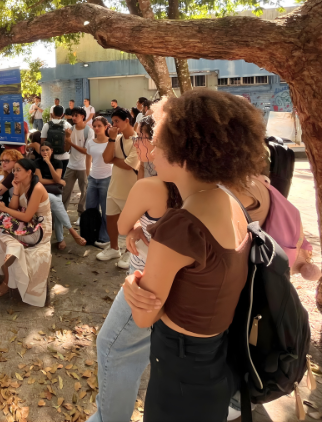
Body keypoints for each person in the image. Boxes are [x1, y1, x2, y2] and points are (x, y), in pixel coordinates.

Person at [122, 91, 265, 421]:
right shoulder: (231, 203)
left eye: (160, 142)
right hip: (217, 358)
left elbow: (144, 317)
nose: (153, 150)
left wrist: (133, 281)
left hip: (180, 365)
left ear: (185, 153)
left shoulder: (181, 226)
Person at [87, 126, 182, 422]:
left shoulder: (150, 185)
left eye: (140, 139)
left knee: (113, 347)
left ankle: (109, 418)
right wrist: (145, 225)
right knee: (138, 349)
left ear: (157, 144)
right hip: (175, 282)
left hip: (145, 283)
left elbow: (122, 226)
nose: (135, 144)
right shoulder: (184, 185)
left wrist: (137, 225)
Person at [0, 158, 52, 305]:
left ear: (29, 172)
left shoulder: (37, 188)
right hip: (28, 226)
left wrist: (4, 208)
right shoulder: (23, 185)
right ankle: (13, 249)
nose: (14, 173)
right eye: (14, 170)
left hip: (39, 231)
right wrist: (16, 191)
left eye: (18, 170)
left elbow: (27, 216)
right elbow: (14, 208)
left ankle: (13, 252)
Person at [98, 108, 139, 265]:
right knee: (111, 218)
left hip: (130, 189)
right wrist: (112, 139)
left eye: (117, 121)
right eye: (113, 121)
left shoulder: (137, 140)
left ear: (127, 121)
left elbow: (130, 165)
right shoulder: (117, 139)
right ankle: (114, 248)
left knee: (130, 223)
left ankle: (130, 252)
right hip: (114, 187)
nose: (113, 124)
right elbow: (106, 158)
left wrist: (114, 160)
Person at [36, 143, 86, 250]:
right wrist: (56, 182)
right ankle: (70, 232)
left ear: (52, 150)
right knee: (58, 204)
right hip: (42, 190)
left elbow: (57, 177)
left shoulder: (57, 162)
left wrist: (49, 164)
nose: (44, 152)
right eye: (42, 150)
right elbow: (40, 180)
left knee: (57, 208)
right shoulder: (37, 162)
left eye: (47, 150)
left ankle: (61, 239)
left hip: (55, 190)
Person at [85, 117, 113, 244]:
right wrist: (87, 174)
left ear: (106, 126)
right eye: (94, 126)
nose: (96, 128)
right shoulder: (91, 142)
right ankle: (91, 235)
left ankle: (104, 237)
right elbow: (88, 158)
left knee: (106, 210)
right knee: (90, 208)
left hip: (106, 178)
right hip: (92, 178)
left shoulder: (111, 142)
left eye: (99, 126)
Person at [61, 108, 92, 217]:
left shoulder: (89, 131)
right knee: (65, 191)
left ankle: (81, 215)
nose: (73, 118)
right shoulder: (70, 130)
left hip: (83, 167)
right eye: (72, 115)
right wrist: (68, 138)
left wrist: (71, 142)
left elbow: (87, 151)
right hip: (71, 165)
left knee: (84, 192)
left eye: (76, 115)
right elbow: (66, 149)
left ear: (82, 116)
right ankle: (62, 214)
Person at [40, 105, 71, 177]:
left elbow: (42, 142)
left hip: (50, 157)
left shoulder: (46, 125)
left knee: (50, 177)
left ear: (53, 113)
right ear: (62, 114)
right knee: (61, 178)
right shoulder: (67, 125)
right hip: (64, 156)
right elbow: (69, 142)